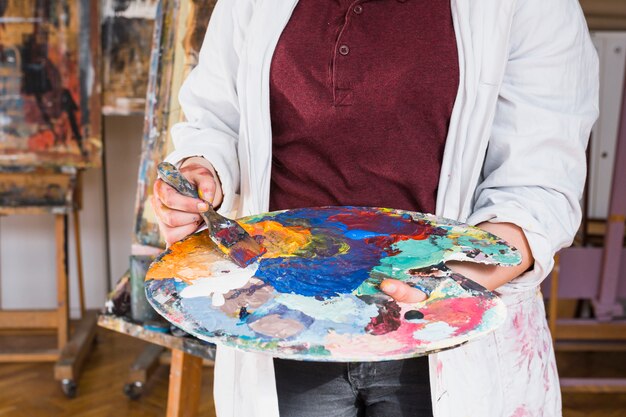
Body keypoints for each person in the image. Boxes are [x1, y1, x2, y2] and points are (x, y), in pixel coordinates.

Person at [152, 0, 599, 416]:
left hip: (444, 343)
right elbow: (215, 118)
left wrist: (459, 287)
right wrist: (202, 169)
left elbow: (540, 186)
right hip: (278, 322)